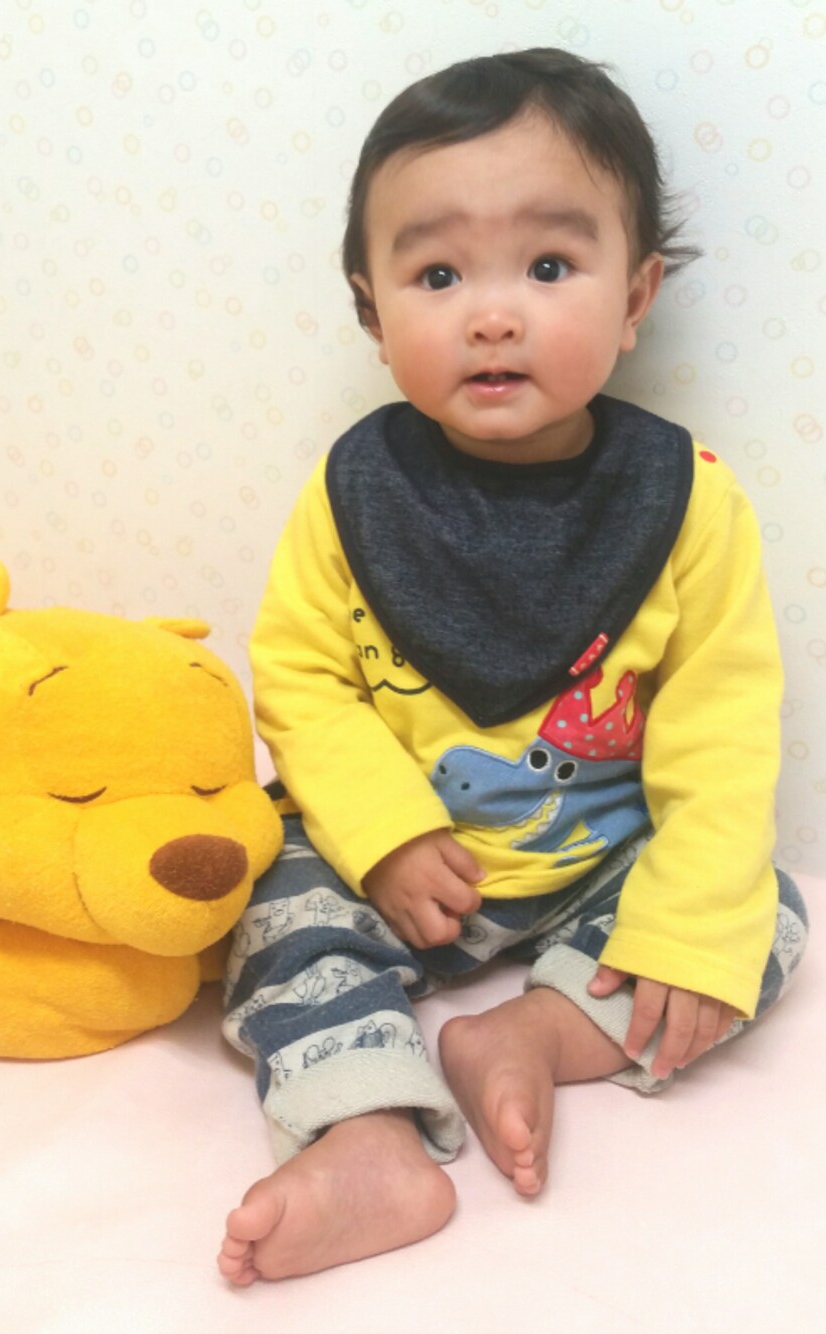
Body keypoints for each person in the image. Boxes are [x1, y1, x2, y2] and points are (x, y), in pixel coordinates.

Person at [216, 47, 808, 1286]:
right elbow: (301, 677)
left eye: (547, 267)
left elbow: (721, 726)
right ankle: (367, 1134)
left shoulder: (687, 500)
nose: (493, 314)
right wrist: (381, 832)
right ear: (372, 313)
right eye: (437, 274)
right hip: (397, 869)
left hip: (595, 863)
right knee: (272, 895)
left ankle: (532, 1031)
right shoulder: (352, 492)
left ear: (635, 295)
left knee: (758, 911)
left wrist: (688, 918)